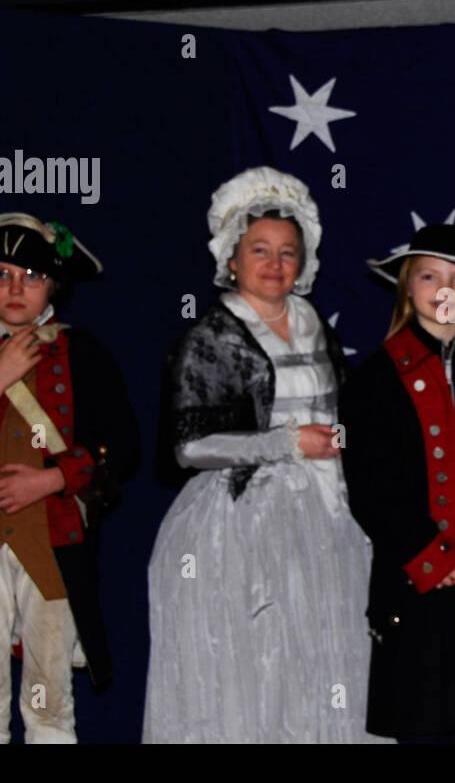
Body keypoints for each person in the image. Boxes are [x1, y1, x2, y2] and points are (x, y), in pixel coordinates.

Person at [143, 167, 379, 743]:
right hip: (238, 523)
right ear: (232, 257)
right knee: (255, 661)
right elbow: (188, 447)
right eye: (260, 250)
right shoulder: (211, 337)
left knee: (323, 655)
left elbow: (344, 420)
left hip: (326, 515)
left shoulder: (313, 326)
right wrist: (283, 445)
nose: (275, 264)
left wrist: (340, 449)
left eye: (287, 252)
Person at [0, 213, 139, 743]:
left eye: (31, 276)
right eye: (1, 274)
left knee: (51, 712)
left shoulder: (86, 354)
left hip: (53, 546)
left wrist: (54, 479)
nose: (15, 289)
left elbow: (124, 451)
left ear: (53, 284)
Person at [339, 224, 455, 742]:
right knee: (421, 719)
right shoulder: (373, 380)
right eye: (429, 275)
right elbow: (371, 485)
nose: (444, 290)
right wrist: (436, 558)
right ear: (406, 286)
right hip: (412, 584)